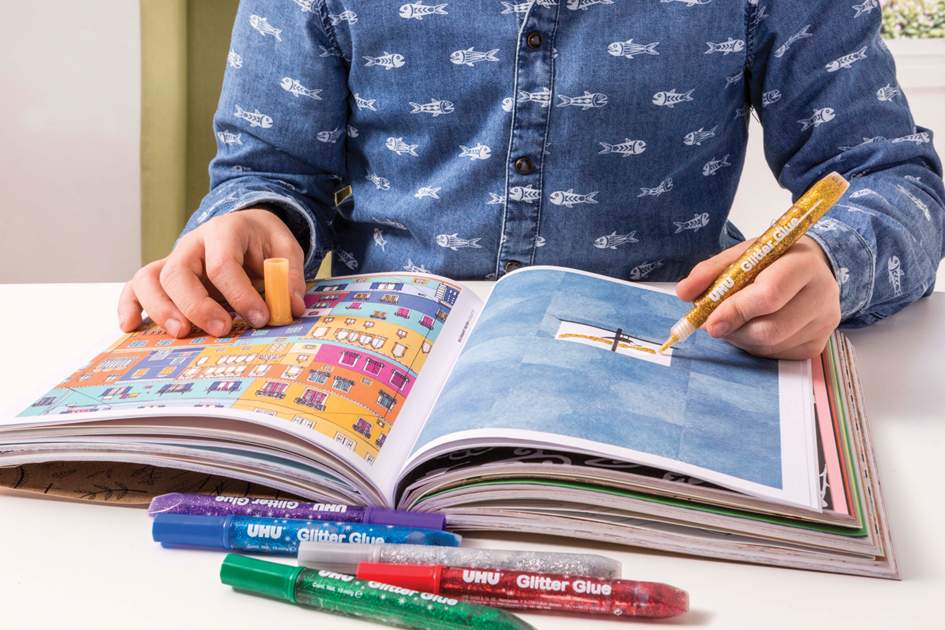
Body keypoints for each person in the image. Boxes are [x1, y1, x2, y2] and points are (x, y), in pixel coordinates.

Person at [119, 0, 944, 360]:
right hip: (376, 375)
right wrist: (256, 216)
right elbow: (269, 171)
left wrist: (831, 261)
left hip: (672, 359)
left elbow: (891, 177)